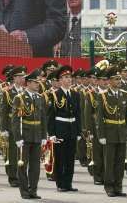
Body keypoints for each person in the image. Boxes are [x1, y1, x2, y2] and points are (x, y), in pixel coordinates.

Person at [12, 69, 47, 199]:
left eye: (38, 82)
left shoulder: (40, 97)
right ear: (28, 83)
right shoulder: (19, 98)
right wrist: (18, 138)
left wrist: (44, 136)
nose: (38, 85)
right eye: (35, 82)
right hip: (24, 135)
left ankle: (33, 190)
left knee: (35, 167)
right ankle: (24, 191)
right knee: (22, 165)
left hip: (37, 135)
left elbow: (43, 118)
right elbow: (15, 120)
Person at [96, 66, 127, 197]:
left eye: (119, 79)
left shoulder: (124, 94)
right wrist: (101, 135)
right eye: (116, 79)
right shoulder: (103, 96)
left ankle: (118, 186)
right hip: (109, 133)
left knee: (120, 162)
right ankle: (109, 187)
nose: (119, 81)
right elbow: (99, 117)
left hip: (121, 132)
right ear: (109, 81)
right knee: (109, 162)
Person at [47, 65, 81, 193]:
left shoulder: (75, 94)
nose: (68, 80)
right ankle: (60, 183)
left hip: (72, 129)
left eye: (70, 77)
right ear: (60, 80)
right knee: (60, 158)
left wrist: (78, 131)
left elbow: (78, 114)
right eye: (65, 77)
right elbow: (51, 116)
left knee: (70, 158)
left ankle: (68, 183)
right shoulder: (55, 95)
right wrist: (51, 133)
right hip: (60, 129)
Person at [0, 66, 26, 187]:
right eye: (19, 77)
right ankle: (13, 177)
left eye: (23, 77)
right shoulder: (6, 92)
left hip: (24, 125)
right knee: (12, 153)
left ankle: (22, 176)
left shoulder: (26, 91)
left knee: (23, 153)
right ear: (14, 78)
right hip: (11, 125)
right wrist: (3, 129)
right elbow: (2, 111)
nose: (22, 79)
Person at [84, 68, 105, 185]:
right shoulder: (91, 94)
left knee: (107, 154)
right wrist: (89, 131)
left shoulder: (109, 93)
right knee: (97, 154)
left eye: (106, 80)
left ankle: (106, 175)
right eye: (102, 80)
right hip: (95, 128)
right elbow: (88, 114)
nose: (105, 82)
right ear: (97, 81)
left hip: (108, 127)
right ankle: (97, 176)